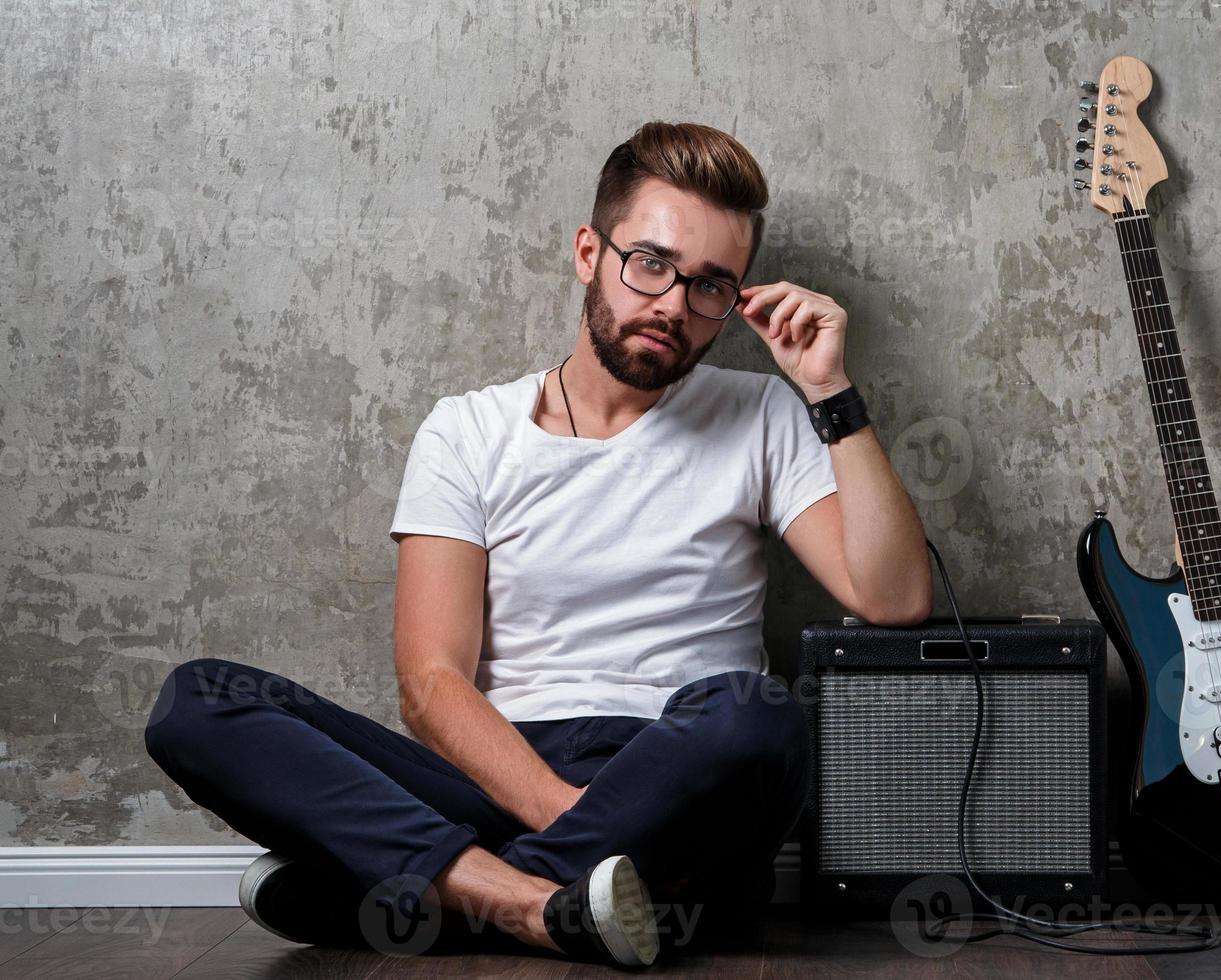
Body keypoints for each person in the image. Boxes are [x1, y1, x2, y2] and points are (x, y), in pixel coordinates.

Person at [143, 120, 932, 968]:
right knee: (201, 699)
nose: (672, 305)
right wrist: (568, 815)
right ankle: (542, 900)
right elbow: (432, 684)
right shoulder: (468, 430)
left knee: (757, 710)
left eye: (710, 286)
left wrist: (830, 390)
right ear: (589, 251)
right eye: (651, 264)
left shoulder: (764, 413)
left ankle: (435, 894)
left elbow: (894, 598)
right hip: (499, 777)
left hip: (683, 773)